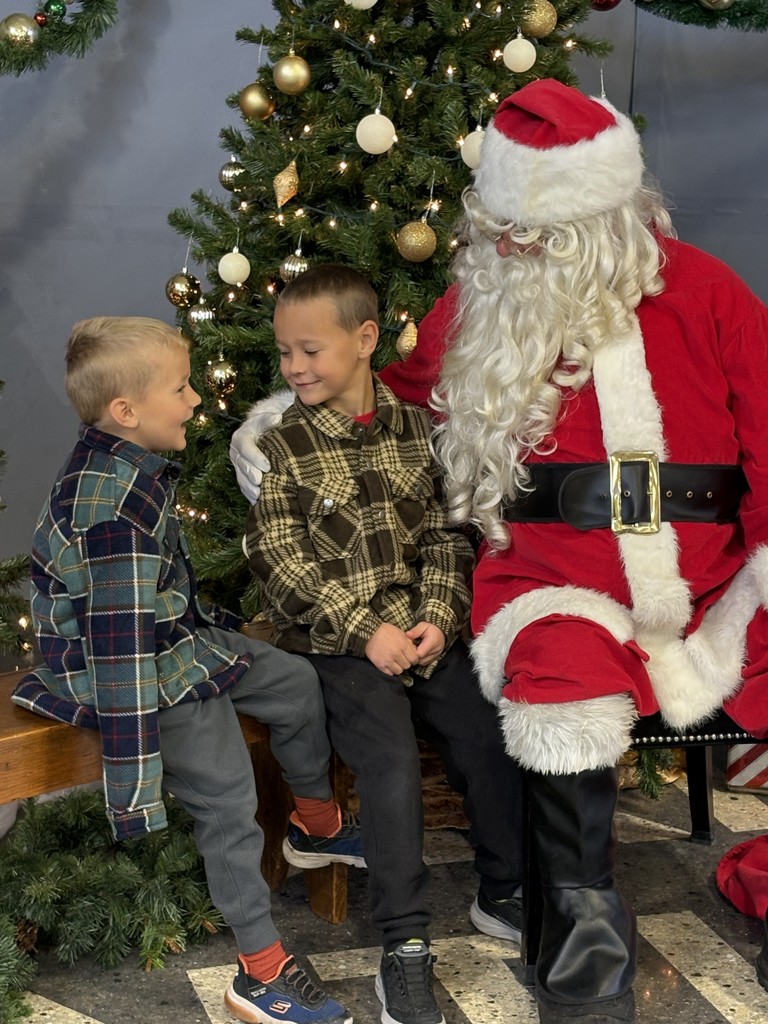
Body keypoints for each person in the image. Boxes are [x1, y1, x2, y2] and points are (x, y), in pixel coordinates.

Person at [231, 79, 768, 1024]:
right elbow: (394, 390)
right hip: (556, 579)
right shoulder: (478, 302)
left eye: (540, 234)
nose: (515, 249)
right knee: (558, 679)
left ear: (608, 215)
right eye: (505, 230)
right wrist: (290, 409)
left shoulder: (708, 289)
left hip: (713, 573)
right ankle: (579, 929)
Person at [11, 316, 365, 1024]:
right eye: (182, 388)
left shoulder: (132, 465)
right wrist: (135, 786)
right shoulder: (112, 508)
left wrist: (216, 640)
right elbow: (119, 655)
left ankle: (314, 825)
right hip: (123, 666)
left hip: (166, 635)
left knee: (295, 682)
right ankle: (259, 972)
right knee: (228, 798)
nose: (198, 399)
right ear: (126, 412)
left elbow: (154, 604)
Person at [243, 264, 525, 1024]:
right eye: (284, 353)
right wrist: (367, 632)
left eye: (310, 349)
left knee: (486, 731)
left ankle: (505, 890)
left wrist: (437, 616)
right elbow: (280, 562)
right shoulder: (283, 446)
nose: (294, 367)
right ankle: (403, 947)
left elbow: (443, 534)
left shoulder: (414, 429)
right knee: (391, 761)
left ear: (365, 340)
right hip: (338, 644)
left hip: (419, 630)